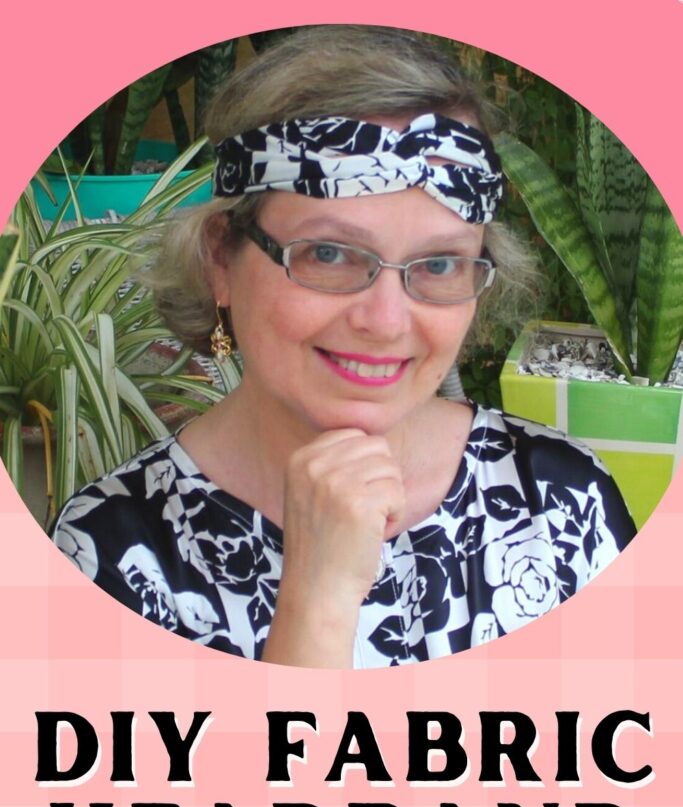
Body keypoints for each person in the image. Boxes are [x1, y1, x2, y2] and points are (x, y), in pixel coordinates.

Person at [51, 26, 636, 668]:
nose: (386, 321)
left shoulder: (563, 507)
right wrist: (317, 598)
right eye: (328, 254)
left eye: (439, 264)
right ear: (221, 256)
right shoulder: (110, 557)